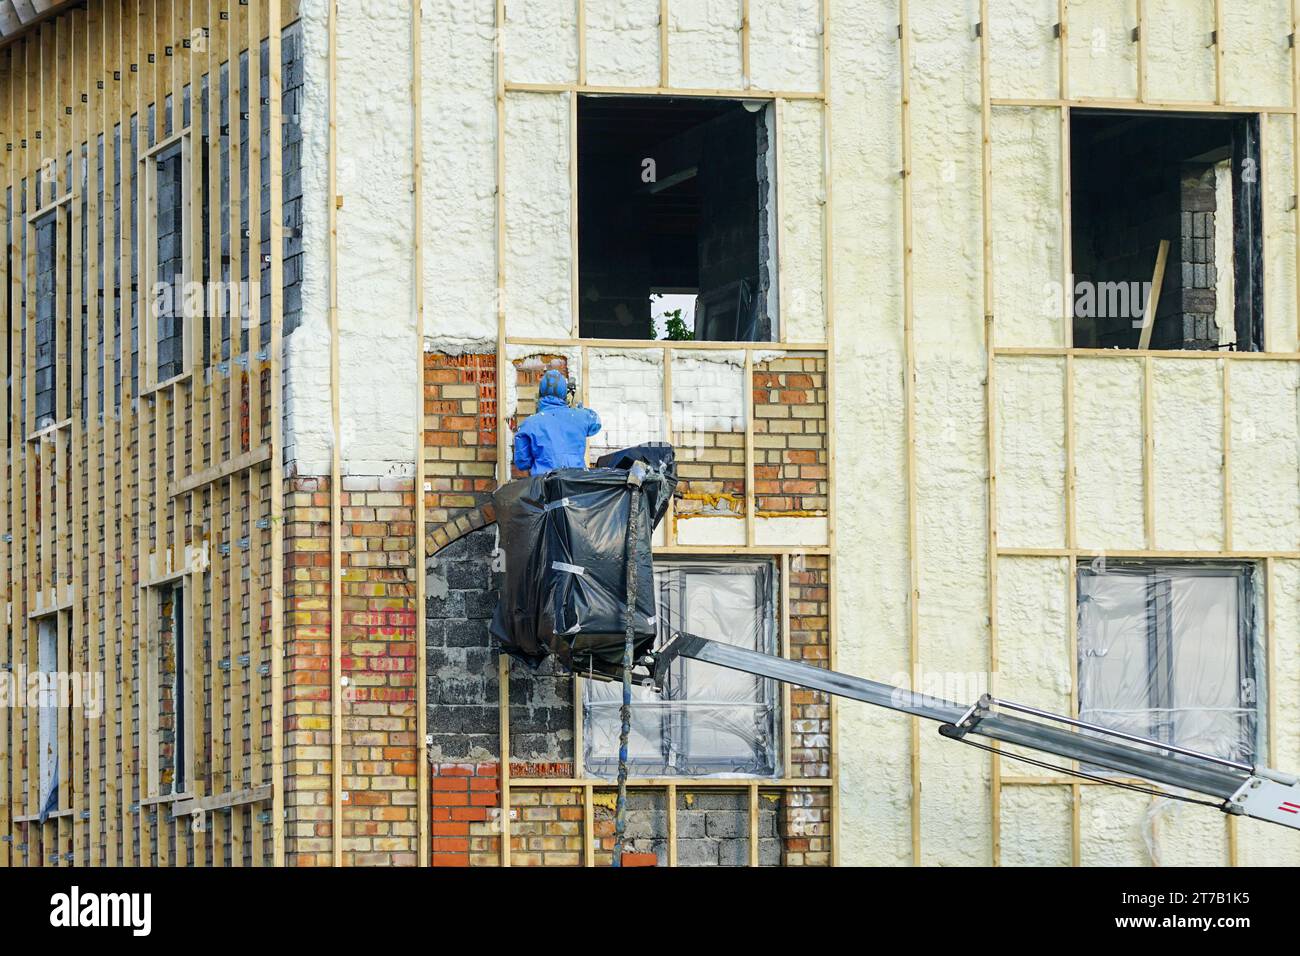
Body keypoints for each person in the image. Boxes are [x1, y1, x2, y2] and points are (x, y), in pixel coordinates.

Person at [513, 369, 601, 476]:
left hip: (544, 487)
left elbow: (523, 463)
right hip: (576, 485)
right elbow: (596, 424)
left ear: (540, 394)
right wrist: (577, 406)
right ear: (565, 394)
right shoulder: (581, 417)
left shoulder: (529, 424)